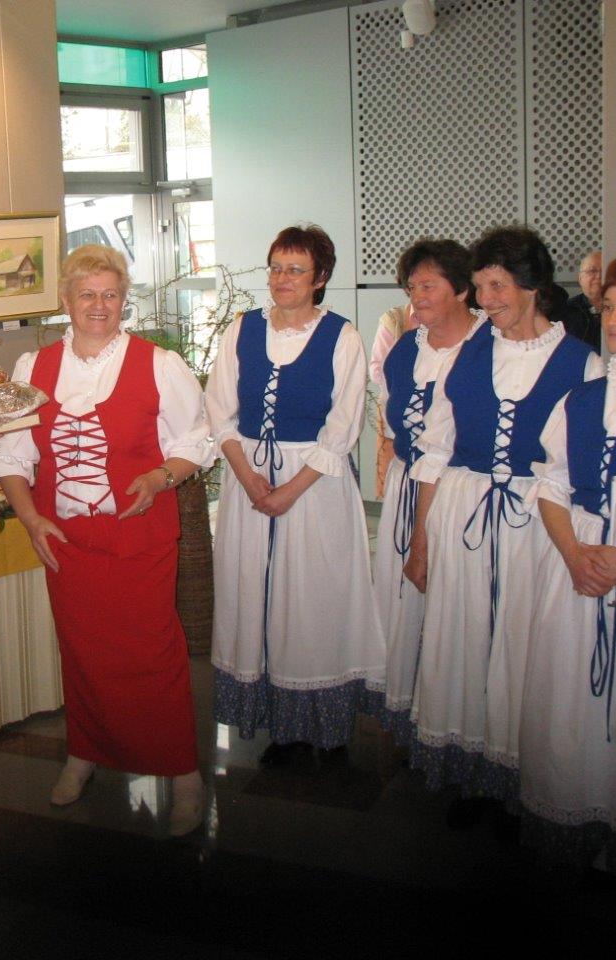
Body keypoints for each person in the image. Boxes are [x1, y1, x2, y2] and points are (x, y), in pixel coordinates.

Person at [0, 244, 211, 836]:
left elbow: (197, 441)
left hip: (139, 539)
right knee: (82, 654)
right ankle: (83, 753)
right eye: (87, 294)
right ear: (65, 300)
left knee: (154, 655)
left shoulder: (159, 364)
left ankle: (184, 773)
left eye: (110, 294)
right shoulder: (32, 369)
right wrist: (30, 518)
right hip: (66, 542)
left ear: (123, 300)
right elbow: (13, 456)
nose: (99, 305)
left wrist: (160, 477)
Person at [403, 226, 602, 824]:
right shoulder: (469, 351)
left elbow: (584, 467)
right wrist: (420, 538)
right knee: (466, 638)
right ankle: (475, 774)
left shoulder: (582, 363)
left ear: (532, 285)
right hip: (464, 508)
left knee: (525, 644)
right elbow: (436, 450)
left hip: (538, 520)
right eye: (481, 286)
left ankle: (523, 781)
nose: (485, 300)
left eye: (497, 286)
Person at [206, 224, 385, 766]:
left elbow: (343, 427)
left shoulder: (342, 336)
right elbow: (220, 411)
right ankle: (282, 730)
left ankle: (326, 728)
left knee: (313, 600)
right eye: (277, 268)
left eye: (296, 270)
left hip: (315, 485)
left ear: (320, 278)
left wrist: (290, 490)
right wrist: (247, 476)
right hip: (250, 480)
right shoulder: (242, 329)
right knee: (255, 594)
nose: (282, 279)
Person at [519, 249, 616, 900]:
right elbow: (550, 483)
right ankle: (578, 824)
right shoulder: (582, 399)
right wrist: (576, 554)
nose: (613, 320)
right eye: (608, 307)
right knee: (571, 697)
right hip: (576, 565)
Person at [373, 240, 484, 746]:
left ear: (462, 290)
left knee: (454, 610)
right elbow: (393, 420)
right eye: (411, 286)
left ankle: (459, 727)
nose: (416, 296)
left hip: (460, 494)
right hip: (407, 485)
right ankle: (413, 717)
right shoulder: (405, 350)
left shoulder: (487, 348)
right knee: (403, 604)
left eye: (428, 285)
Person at [369, 302, 419, 497]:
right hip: (396, 418)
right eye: (413, 288)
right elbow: (376, 369)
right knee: (396, 489)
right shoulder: (394, 319)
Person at [553, 249, 603, 352]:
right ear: (580, 278)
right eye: (592, 271)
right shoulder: (565, 312)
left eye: (604, 271)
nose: (599, 276)